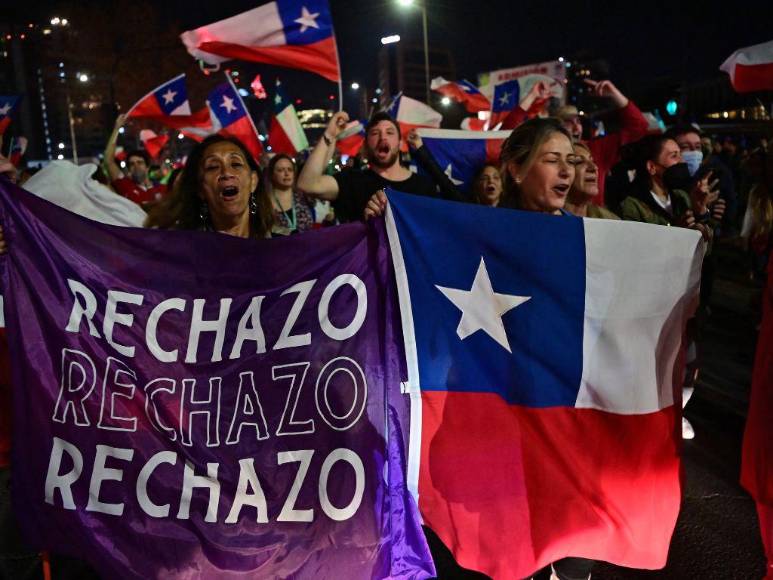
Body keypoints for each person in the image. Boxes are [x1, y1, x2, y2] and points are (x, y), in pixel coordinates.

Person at [297, 111, 446, 223]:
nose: (383, 137)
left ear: (400, 143)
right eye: (375, 133)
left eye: (390, 132)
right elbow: (307, 184)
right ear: (366, 145)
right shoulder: (351, 181)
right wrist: (330, 134)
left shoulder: (424, 186)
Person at [144, 134, 272, 238]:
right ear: (200, 189)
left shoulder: (281, 252)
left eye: (236, 164)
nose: (226, 173)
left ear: (253, 181)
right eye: (213, 167)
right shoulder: (179, 254)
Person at [554, 79, 649, 206]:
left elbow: (638, 127)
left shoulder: (595, 149)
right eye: (568, 123)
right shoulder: (549, 154)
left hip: (594, 223)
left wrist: (614, 94)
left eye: (578, 121)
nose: (577, 128)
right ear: (556, 128)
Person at [104, 114, 167, 206]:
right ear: (129, 169)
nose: (136, 166)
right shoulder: (125, 186)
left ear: (147, 167)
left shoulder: (162, 189)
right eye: (132, 164)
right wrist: (116, 128)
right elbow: (108, 161)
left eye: (139, 162)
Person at [264, 153, 316, 235]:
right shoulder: (265, 203)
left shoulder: (304, 197)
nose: (287, 173)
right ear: (272, 175)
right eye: (280, 170)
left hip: (307, 246)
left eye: (290, 169)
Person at [564, 142, 619, 219]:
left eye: (593, 161)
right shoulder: (546, 220)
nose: (594, 167)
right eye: (579, 162)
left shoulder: (612, 221)